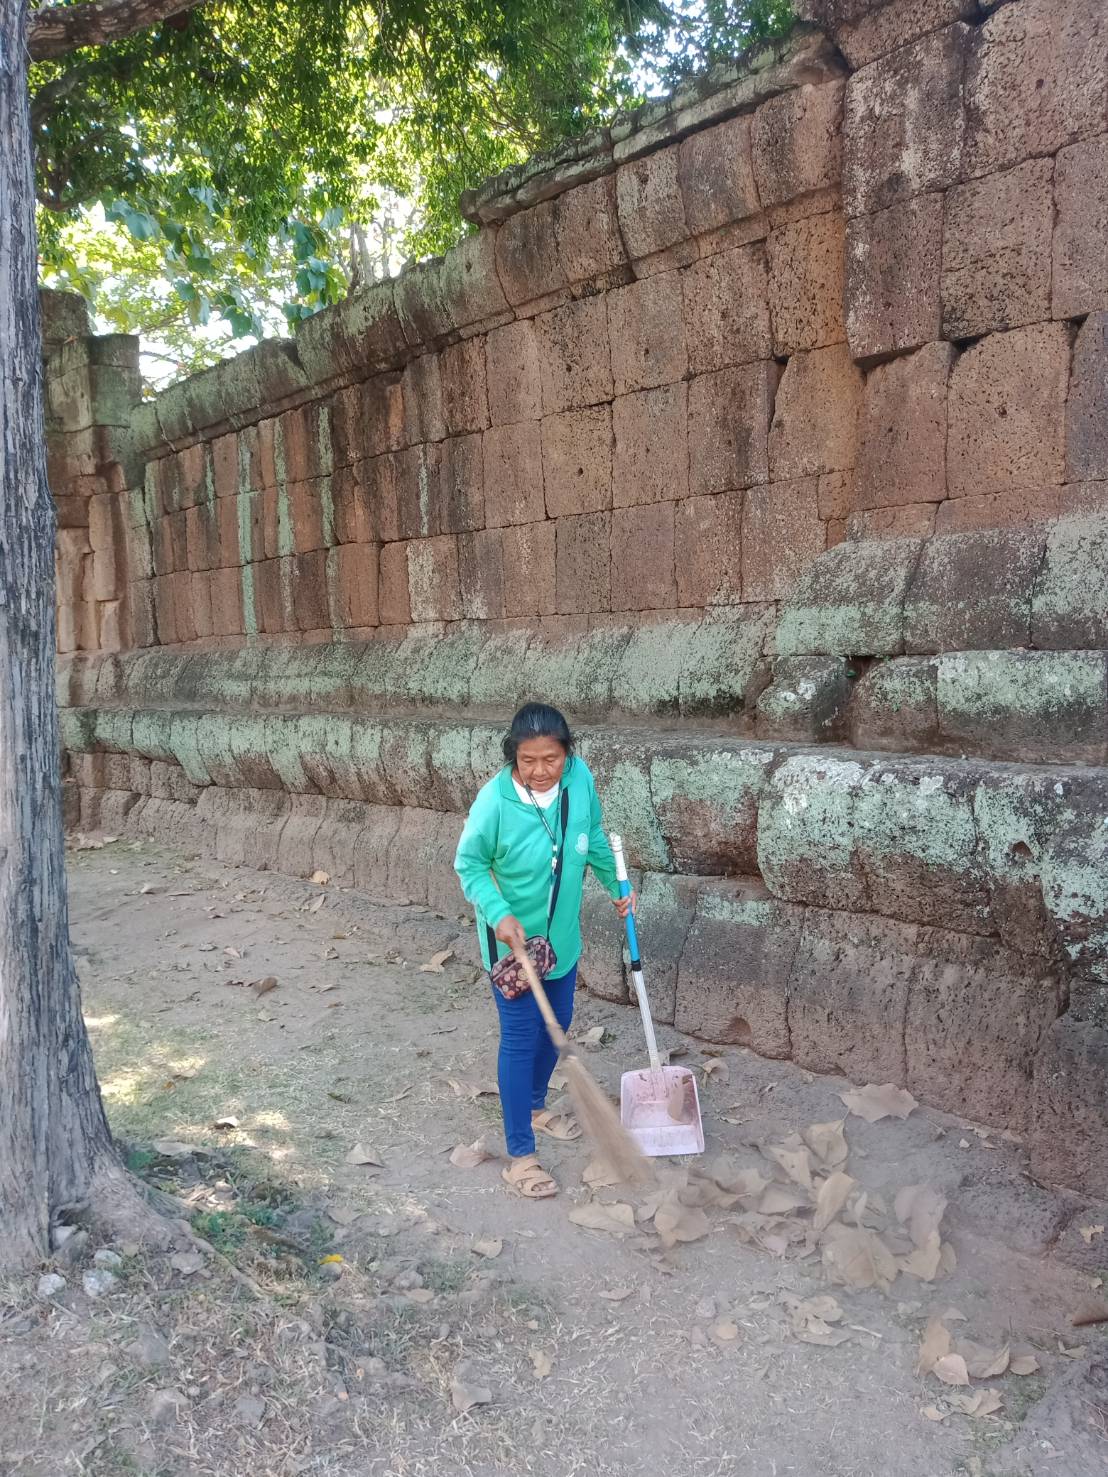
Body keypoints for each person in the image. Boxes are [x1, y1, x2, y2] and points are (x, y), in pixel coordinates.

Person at [454, 702, 634, 1199]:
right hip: (512, 947)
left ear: (567, 754)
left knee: (560, 1020)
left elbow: (592, 836)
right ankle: (521, 1156)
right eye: (528, 760)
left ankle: (535, 1105)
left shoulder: (579, 781)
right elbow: (469, 865)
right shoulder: (493, 803)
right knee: (520, 1038)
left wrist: (616, 884)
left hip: (561, 941)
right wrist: (498, 913)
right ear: (513, 756)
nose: (539, 771)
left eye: (550, 759)